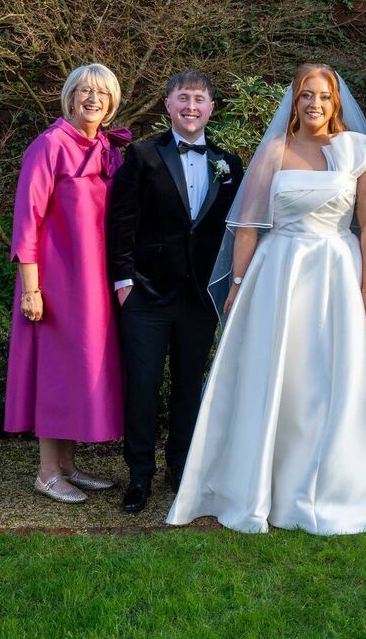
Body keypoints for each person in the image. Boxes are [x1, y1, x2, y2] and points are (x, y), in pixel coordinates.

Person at [167, 63, 366, 535]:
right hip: (279, 274)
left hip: (337, 271)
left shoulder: (358, 152)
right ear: (295, 100)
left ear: (336, 102)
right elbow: (248, 225)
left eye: (325, 97)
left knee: (339, 376)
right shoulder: (275, 149)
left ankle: (345, 484)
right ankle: (265, 482)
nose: (315, 104)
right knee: (279, 378)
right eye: (307, 95)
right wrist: (238, 283)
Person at [109, 71, 244, 513]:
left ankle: (181, 467)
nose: (191, 106)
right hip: (145, 294)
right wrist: (124, 282)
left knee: (190, 386)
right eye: (182, 98)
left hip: (199, 297)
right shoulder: (143, 155)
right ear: (168, 105)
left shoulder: (230, 164)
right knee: (143, 386)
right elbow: (121, 221)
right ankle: (139, 476)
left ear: (210, 108)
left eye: (199, 99)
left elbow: (237, 229)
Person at [5, 63, 131, 503]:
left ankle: (69, 467)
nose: (93, 99)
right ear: (71, 96)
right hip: (56, 283)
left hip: (94, 283)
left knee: (81, 369)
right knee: (57, 373)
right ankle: (46, 472)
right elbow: (28, 221)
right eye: (85, 91)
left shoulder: (106, 150)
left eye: (102, 93)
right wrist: (31, 289)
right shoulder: (49, 145)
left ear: (112, 102)